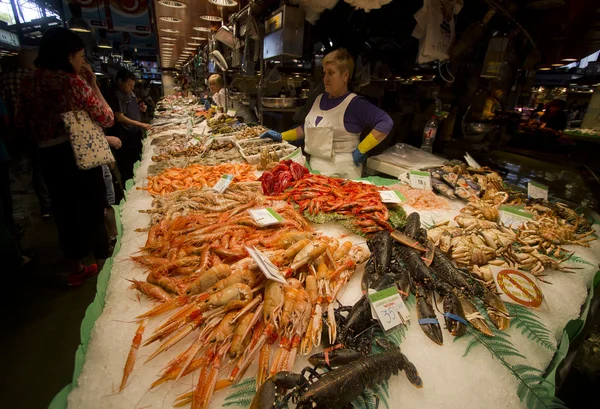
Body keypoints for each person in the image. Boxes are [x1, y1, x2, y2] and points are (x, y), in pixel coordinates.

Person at [16, 27, 115, 286]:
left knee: (64, 212)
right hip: (79, 154)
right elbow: (106, 117)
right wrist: (92, 83)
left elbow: (20, 122)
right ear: (68, 56)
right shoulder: (70, 81)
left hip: (48, 156)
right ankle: (105, 270)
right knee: (93, 208)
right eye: (81, 56)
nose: (83, 61)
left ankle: (77, 267)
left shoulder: (28, 81)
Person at [261, 49, 393, 179]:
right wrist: (282, 136)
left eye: (331, 73)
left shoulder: (355, 103)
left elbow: (385, 123)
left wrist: (362, 149)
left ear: (345, 76)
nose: (326, 79)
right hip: (315, 169)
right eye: (324, 73)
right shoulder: (319, 99)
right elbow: (307, 128)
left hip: (343, 174)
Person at [2, 48, 52, 219]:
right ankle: (51, 203)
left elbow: (11, 111)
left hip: (24, 132)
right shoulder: (39, 79)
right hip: (48, 134)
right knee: (46, 169)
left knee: (37, 167)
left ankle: (46, 207)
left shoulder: (7, 78)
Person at [107, 69, 150, 183]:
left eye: (133, 85)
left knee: (138, 160)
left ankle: (140, 182)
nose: (132, 88)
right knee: (128, 167)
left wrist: (140, 109)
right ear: (121, 82)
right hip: (124, 136)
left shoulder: (129, 92)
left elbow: (130, 110)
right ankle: (133, 188)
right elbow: (119, 117)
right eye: (129, 85)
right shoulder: (117, 94)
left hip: (134, 133)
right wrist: (141, 124)